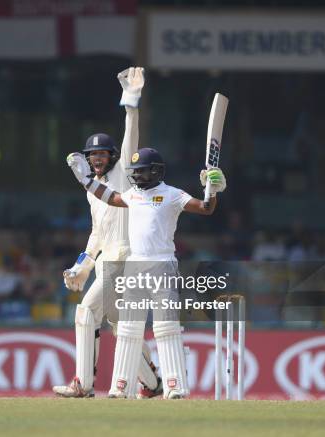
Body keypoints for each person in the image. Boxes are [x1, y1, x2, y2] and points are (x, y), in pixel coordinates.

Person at [66, 147, 227, 399]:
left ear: (155, 171)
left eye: (141, 172)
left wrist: (213, 189)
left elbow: (206, 208)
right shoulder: (132, 195)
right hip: (134, 266)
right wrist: (86, 181)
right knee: (128, 328)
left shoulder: (172, 194)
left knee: (166, 327)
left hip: (163, 266)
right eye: (135, 172)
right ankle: (121, 387)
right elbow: (110, 197)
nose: (137, 177)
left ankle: (174, 385)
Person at [53, 67, 161, 399]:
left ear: (112, 157)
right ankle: (153, 383)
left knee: (86, 311)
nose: (96, 160)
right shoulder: (92, 190)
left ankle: (83, 384)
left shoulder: (124, 178)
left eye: (102, 155)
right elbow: (97, 234)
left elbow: (132, 135)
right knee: (118, 326)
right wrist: (82, 267)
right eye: (92, 156)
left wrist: (131, 99)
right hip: (108, 261)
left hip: (127, 260)